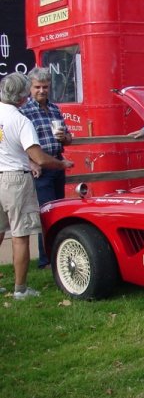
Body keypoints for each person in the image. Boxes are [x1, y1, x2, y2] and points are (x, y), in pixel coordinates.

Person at [0, 72, 74, 299]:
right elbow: (39, 157)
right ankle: (20, 289)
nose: (40, 91)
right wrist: (61, 164)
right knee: (21, 234)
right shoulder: (22, 120)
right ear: (24, 94)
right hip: (17, 177)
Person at [20, 67, 74, 270]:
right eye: (37, 87)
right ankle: (46, 260)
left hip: (57, 164)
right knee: (46, 214)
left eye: (45, 87)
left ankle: (56, 254)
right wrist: (31, 162)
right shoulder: (24, 111)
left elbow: (67, 137)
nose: (42, 90)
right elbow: (17, 143)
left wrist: (65, 138)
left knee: (58, 212)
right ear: (30, 88)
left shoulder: (54, 109)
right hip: (40, 170)